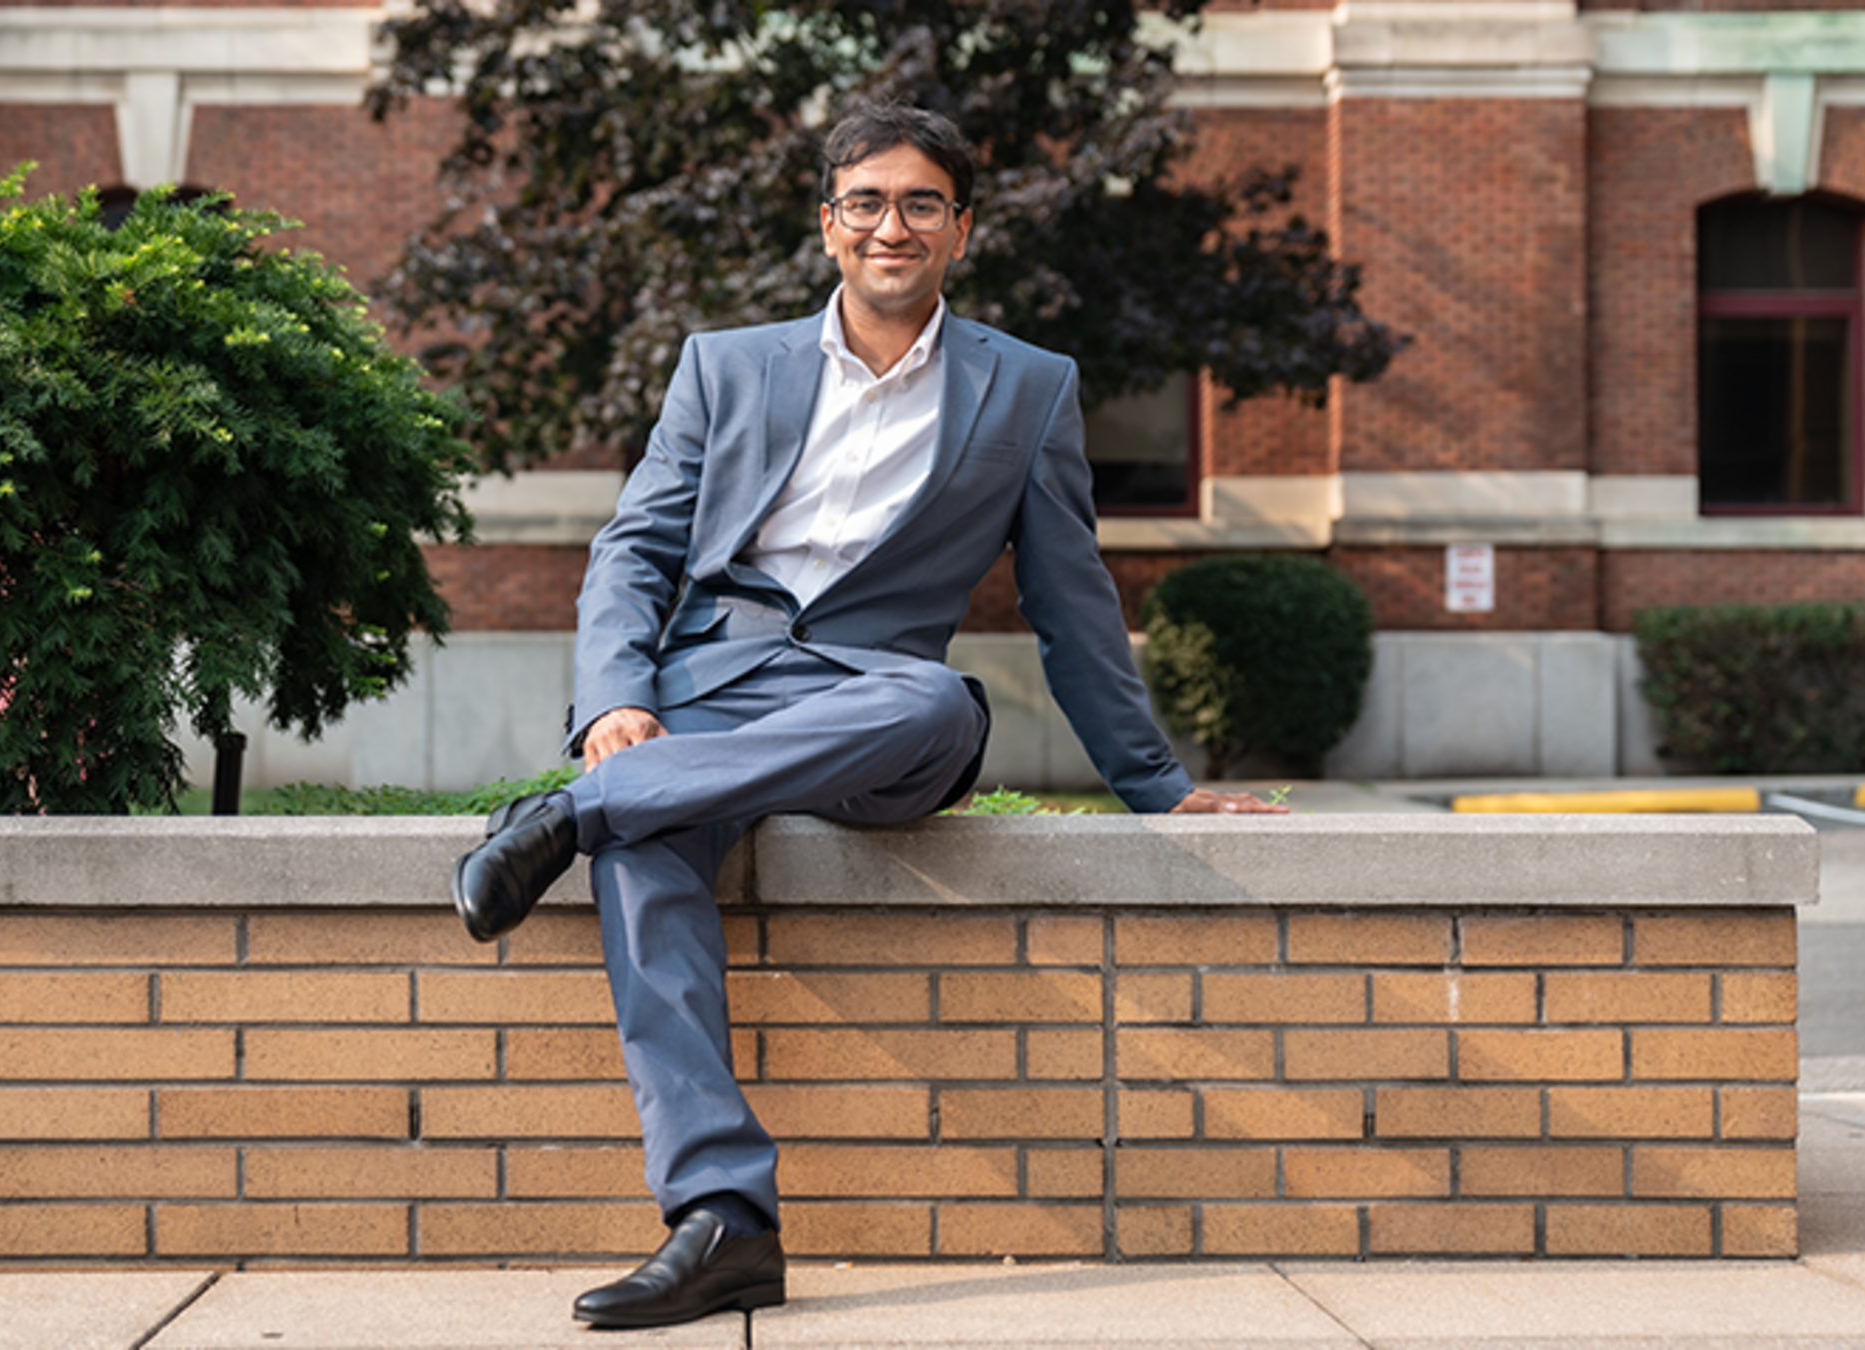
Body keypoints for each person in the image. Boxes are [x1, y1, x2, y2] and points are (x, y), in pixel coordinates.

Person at [453, 100, 1286, 1330]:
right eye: (866, 202)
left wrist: (1157, 783)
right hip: (700, 700)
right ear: (828, 223)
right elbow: (635, 551)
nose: (890, 226)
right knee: (647, 859)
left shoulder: (1030, 389)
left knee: (940, 697)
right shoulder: (725, 365)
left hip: (874, 709)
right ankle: (722, 1221)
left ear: (963, 229)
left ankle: (568, 818)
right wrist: (617, 701)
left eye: (920, 204)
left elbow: (1072, 601)